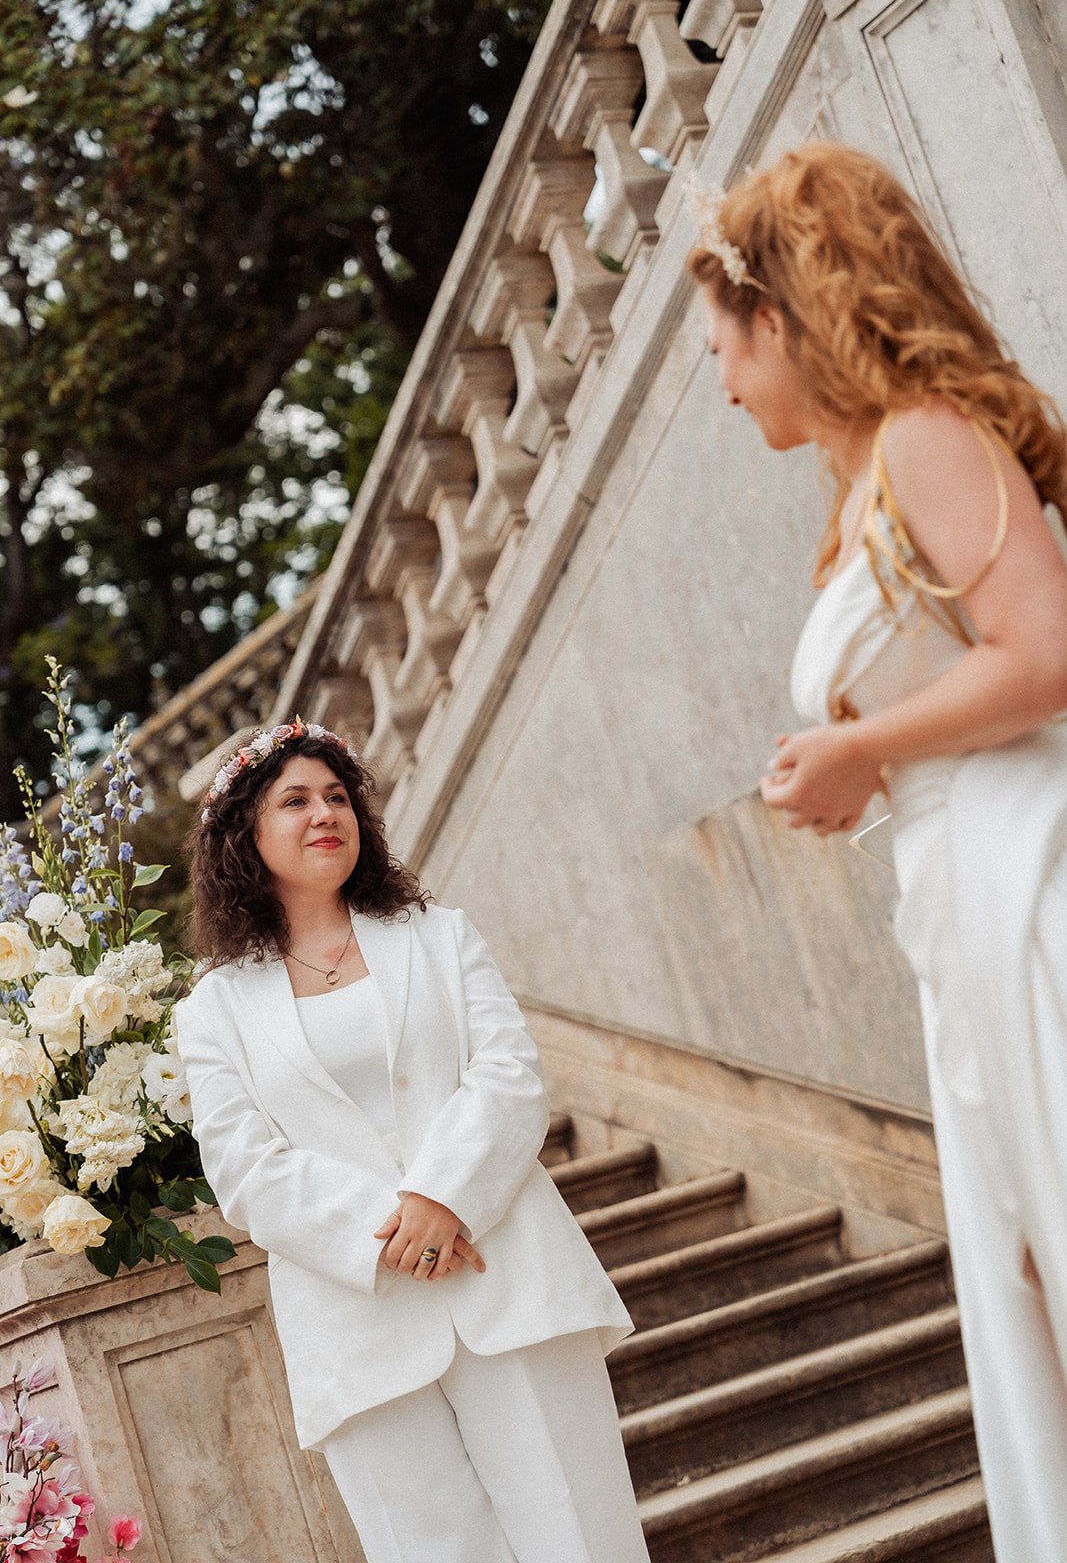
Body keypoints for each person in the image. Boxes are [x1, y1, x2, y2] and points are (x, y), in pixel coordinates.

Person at [687, 142, 1067, 1562]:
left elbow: (1043, 654)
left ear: (777, 321)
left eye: (723, 347)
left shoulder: (923, 434)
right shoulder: (855, 490)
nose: (722, 384)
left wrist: (862, 747)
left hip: (1025, 874)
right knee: (1028, 1259)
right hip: (950, 890)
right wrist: (862, 759)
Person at [175, 718, 649, 1563]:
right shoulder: (211, 1010)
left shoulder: (439, 935)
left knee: (582, 1536)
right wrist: (392, 1227)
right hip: (354, 1322)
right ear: (244, 836)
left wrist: (443, 1197)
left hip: (508, 1278)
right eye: (295, 801)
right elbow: (245, 1168)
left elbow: (508, 1074)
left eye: (337, 796)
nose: (326, 813)